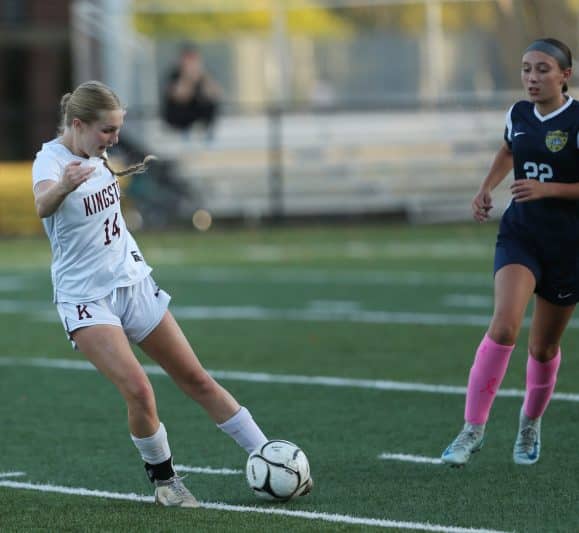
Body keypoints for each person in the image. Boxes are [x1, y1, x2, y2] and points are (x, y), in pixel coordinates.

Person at [31, 80, 310, 506]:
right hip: (86, 297)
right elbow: (41, 205)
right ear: (78, 124)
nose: (115, 138)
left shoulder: (99, 153)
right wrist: (64, 186)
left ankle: (267, 452)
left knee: (195, 377)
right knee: (140, 391)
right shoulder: (50, 161)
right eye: (107, 130)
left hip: (134, 282)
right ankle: (166, 483)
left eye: (117, 129)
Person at [441, 38, 577, 467]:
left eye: (542, 70)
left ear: (564, 76)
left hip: (569, 246)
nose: (532, 78)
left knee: (543, 349)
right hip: (520, 236)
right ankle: (472, 430)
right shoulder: (517, 114)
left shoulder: (576, 119)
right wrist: (485, 188)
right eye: (525, 69)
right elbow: (508, 149)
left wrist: (548, 189)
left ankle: (529, 423)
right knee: (503, 327)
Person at [162, 42, 222, 139]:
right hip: (179, 119)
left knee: (209, 102)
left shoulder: (204, 74)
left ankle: (206, 130)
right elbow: (180, 97)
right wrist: (188, 78)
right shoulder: (174, 74)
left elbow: (216, 94)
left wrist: (202, 76)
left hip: (197, 115)